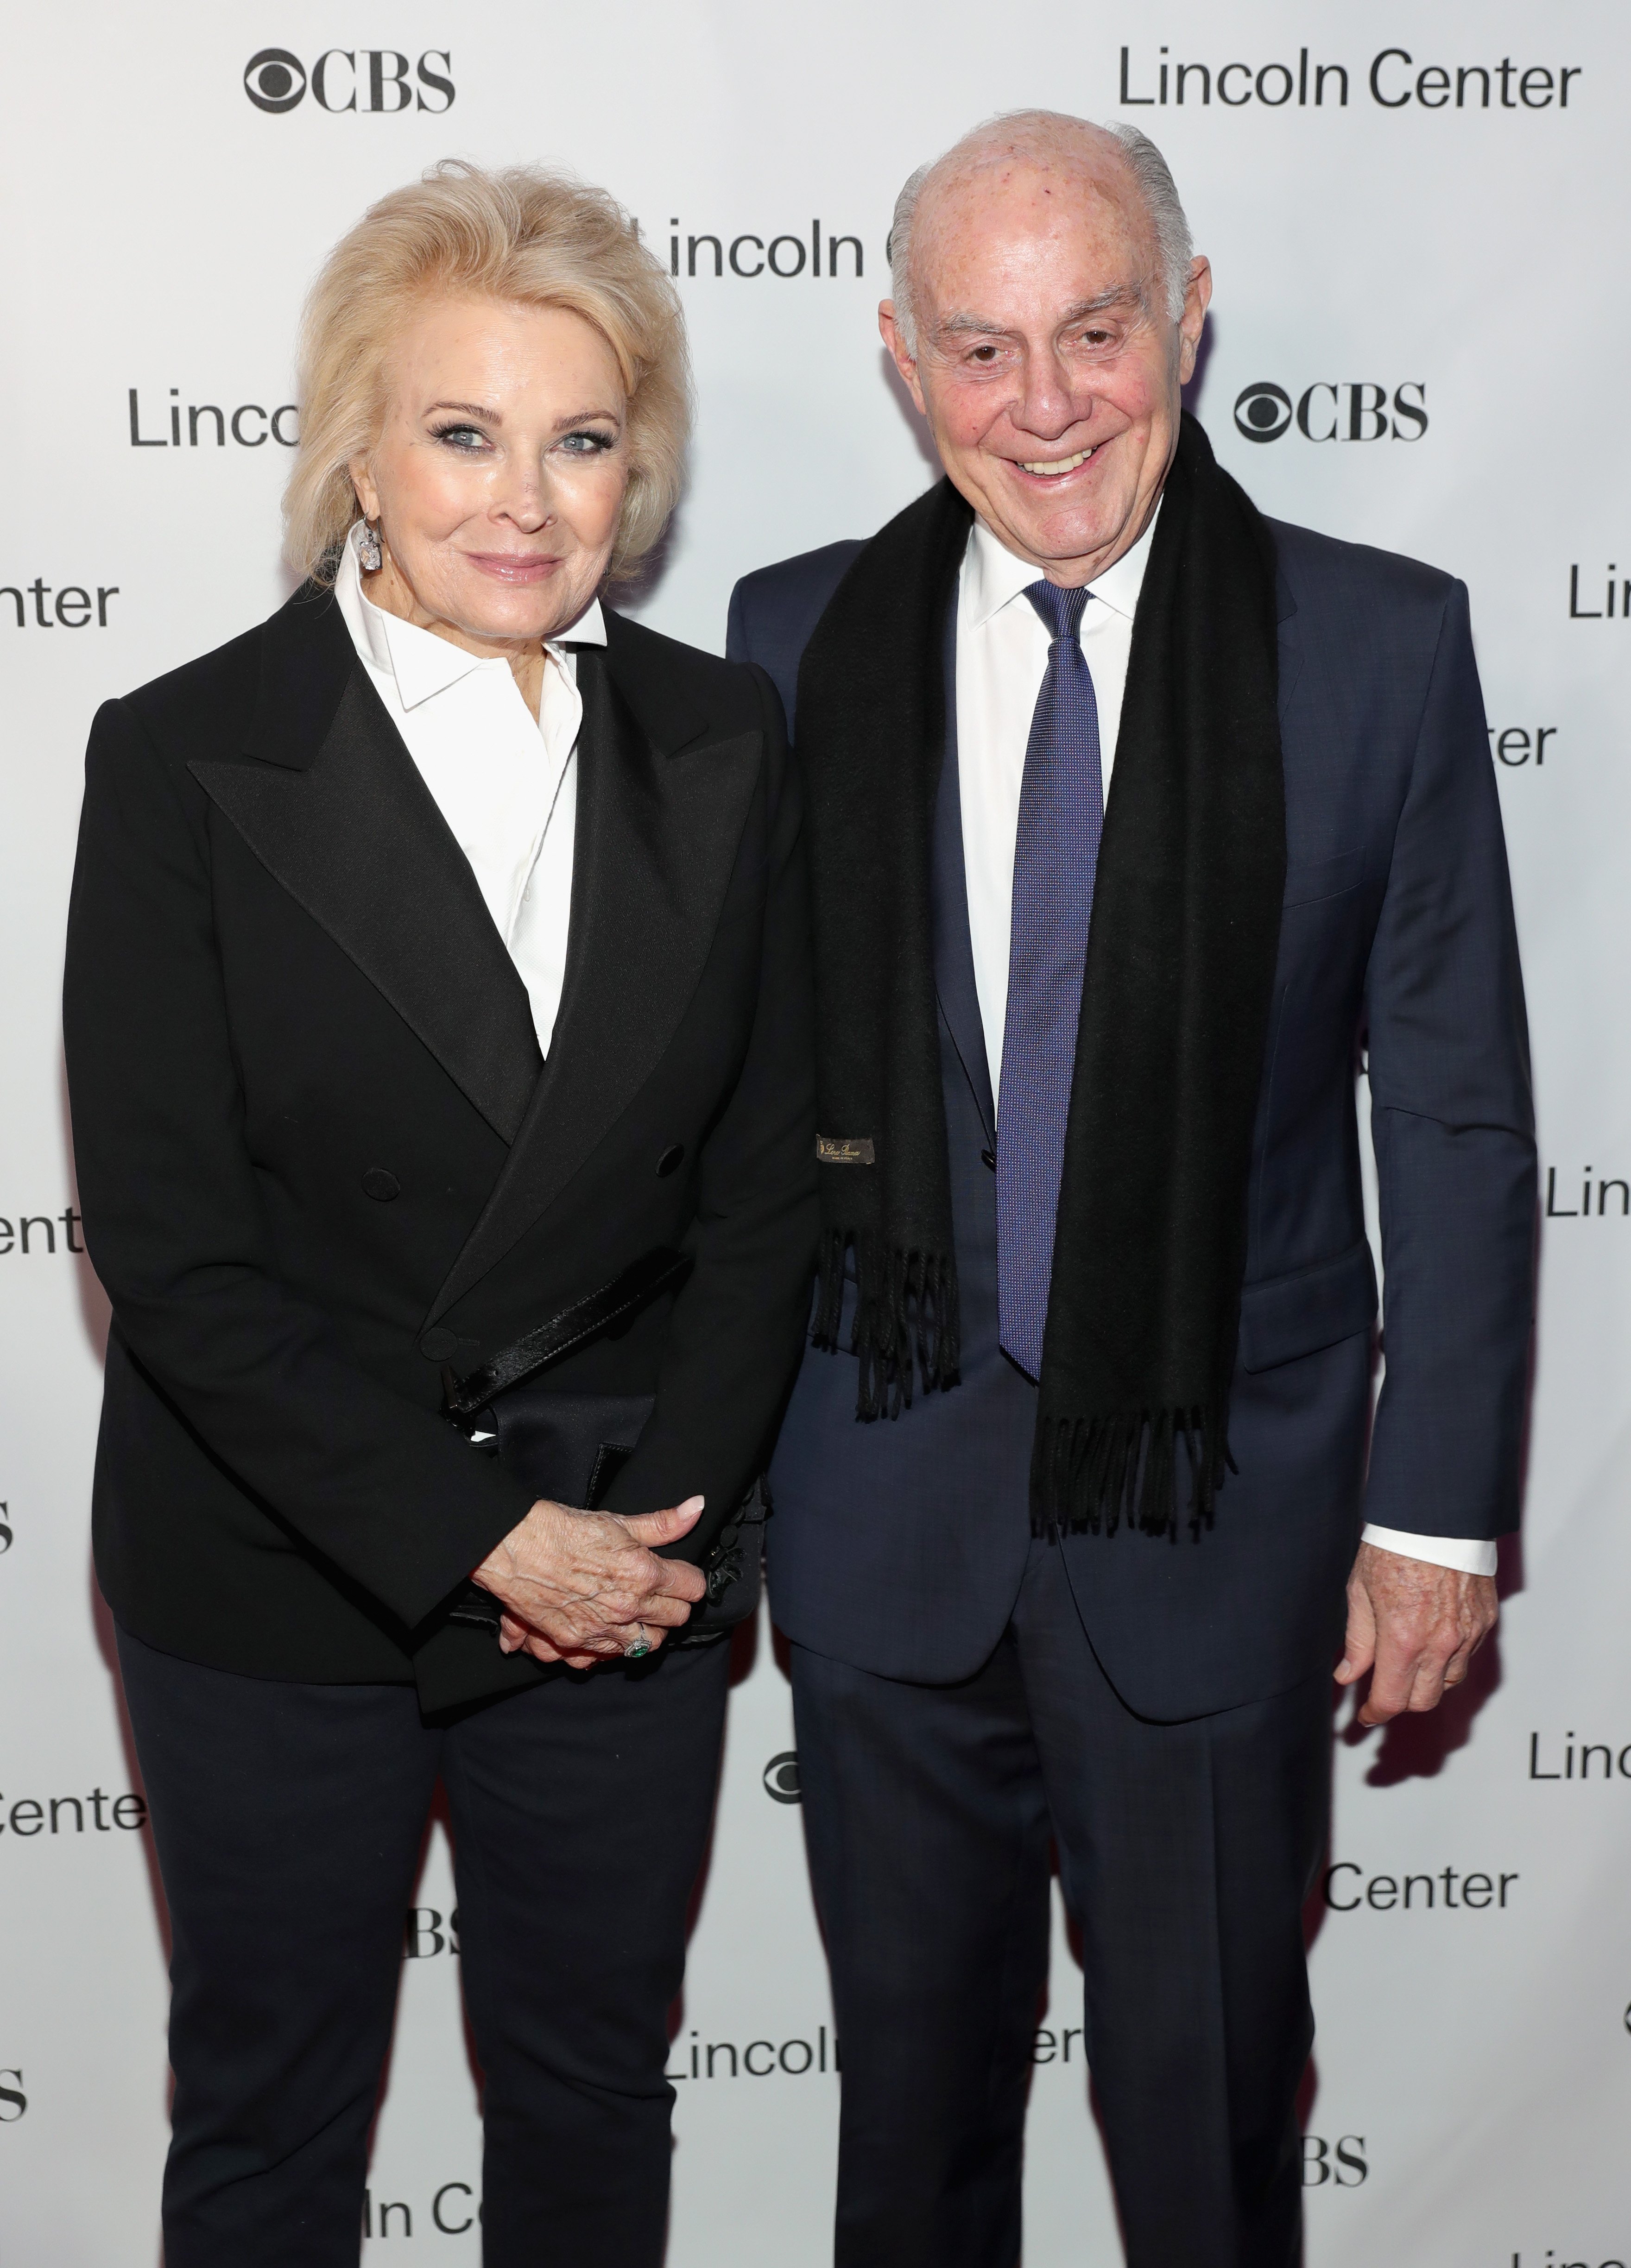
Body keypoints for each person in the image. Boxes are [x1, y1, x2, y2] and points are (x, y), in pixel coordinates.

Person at [727, 112, 1534, 2267]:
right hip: (884, 1513)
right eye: (982, 350)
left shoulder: (1378, 649)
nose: (1047, 402)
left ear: (1186, 316)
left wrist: (1431, 1514)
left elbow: (1452, 1114)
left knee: (1203, 2140)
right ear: (901, 360)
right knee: (906, 2142)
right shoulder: (787, 643)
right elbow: (727, 1113)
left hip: (1221, 1517)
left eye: (1093, 329)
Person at [63, 161, 816, 2267]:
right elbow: (175, 1256)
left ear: (637, 471)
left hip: (626, 1561)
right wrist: (485, 1539)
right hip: (284, 1570)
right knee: (274, 2118)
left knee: (589, 2100)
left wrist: (649, 1536)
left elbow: (764, 1194)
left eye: (582, 440)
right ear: (358, 461)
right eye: (464, 432)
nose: (527, 497)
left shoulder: (723, 737)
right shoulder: (190, 756)